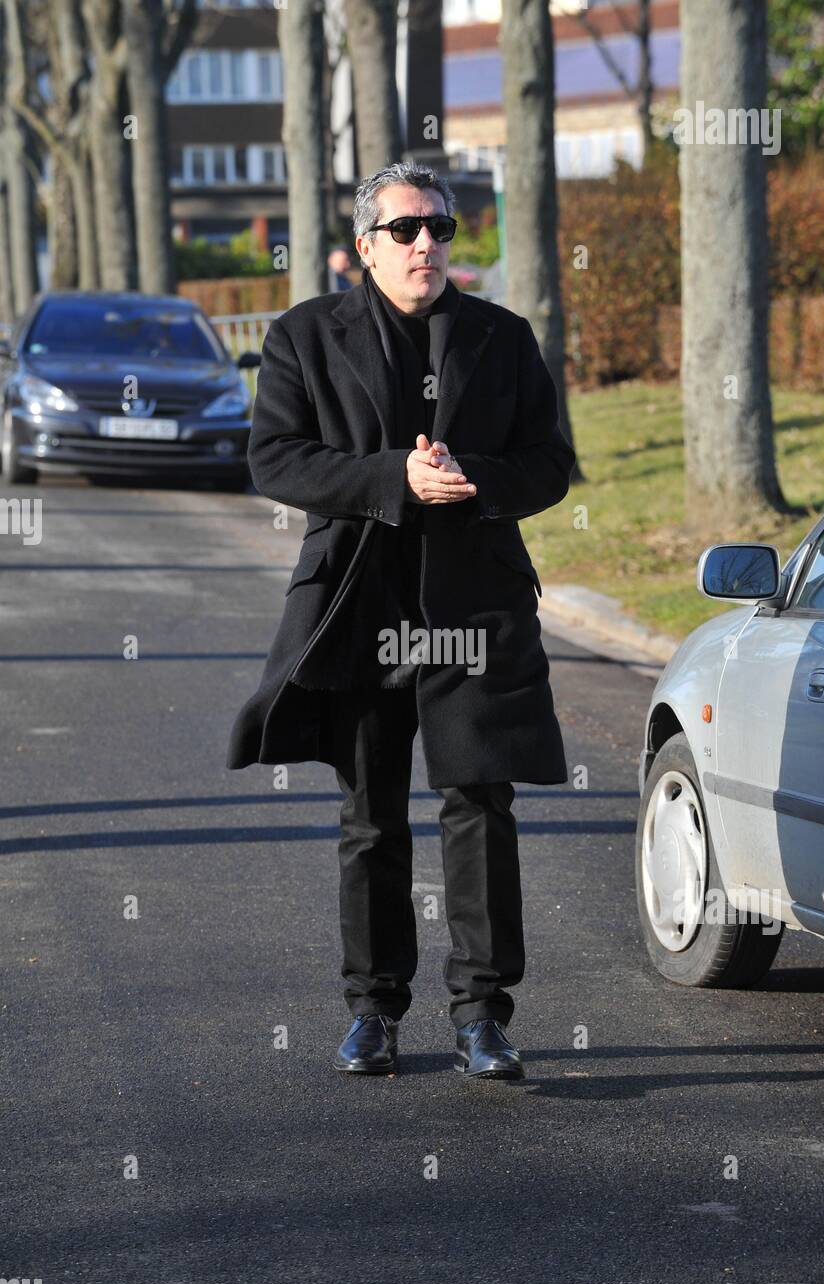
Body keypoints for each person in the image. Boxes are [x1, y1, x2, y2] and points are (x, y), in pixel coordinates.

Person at [226, 161, 575, 1080]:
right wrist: (392, 478)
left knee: (478, 803)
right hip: (360, 603)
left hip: (477, 606)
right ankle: (374, 1010)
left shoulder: (503, 338)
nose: (428, 244)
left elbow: (548, 464)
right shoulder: (304, 335)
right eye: (407, 229)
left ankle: (481, 1015)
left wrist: (474, 480)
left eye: (441, 229)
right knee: (371, 815)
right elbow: (276, 460)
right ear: (363, 247)